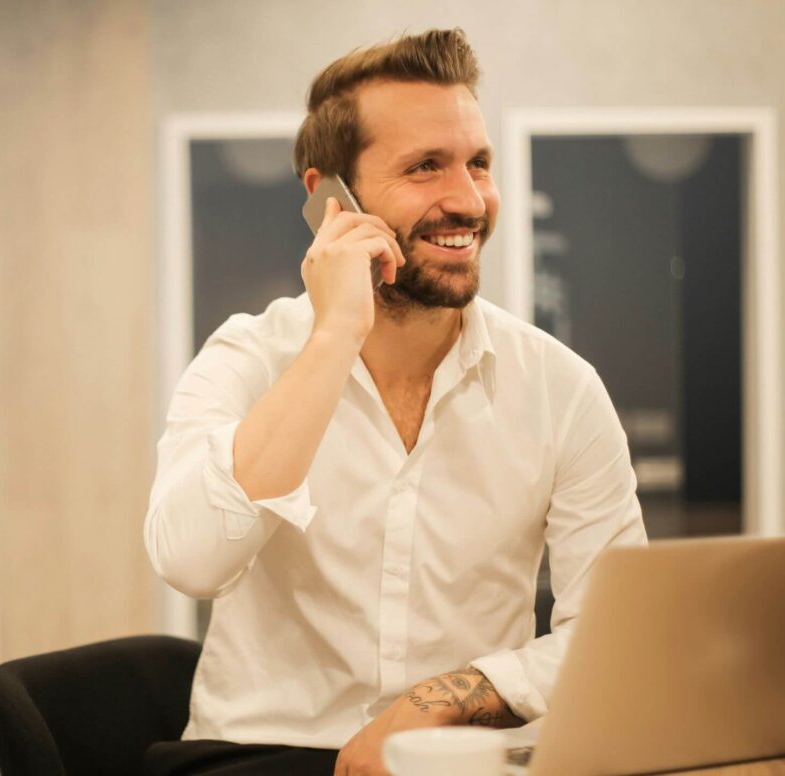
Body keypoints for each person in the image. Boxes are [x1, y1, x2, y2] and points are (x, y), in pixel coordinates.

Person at [143, 28, 646, 776]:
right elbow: (191, 562)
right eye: (425, 167)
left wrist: (446, 698)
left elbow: (613, 637)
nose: (468, 200)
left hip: (460, 757)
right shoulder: (247, 358)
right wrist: (334, 336)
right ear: (330, 200)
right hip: (259, 756)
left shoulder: (560, 388)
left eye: (479, 163)